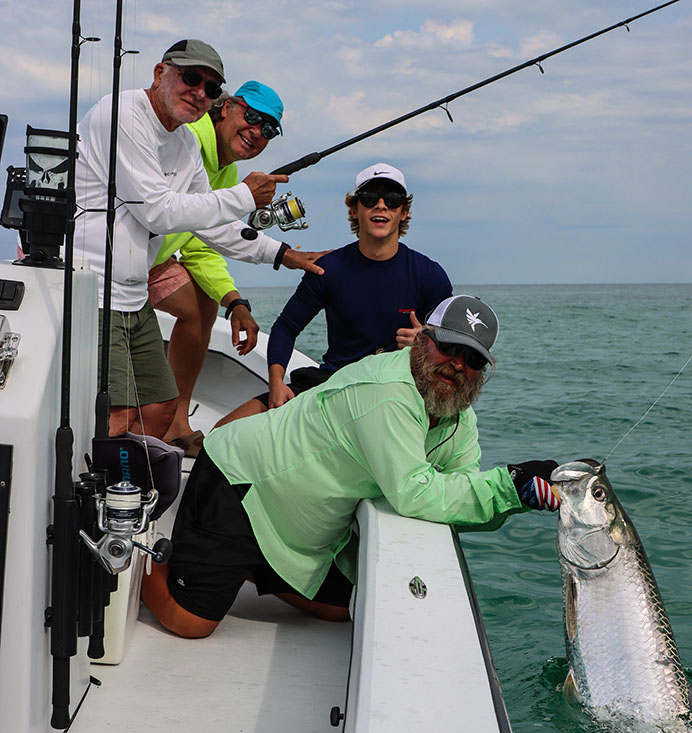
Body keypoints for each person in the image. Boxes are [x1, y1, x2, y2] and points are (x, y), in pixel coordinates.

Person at [141, 294, 560, 638]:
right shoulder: (388, 393)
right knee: (189, 623)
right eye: (448, 347)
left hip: (294, 523)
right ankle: (142, 560)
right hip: (241, 484)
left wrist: (516, 494)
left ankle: (247, 564)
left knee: (339, 608)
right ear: (421, 341)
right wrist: (509, 484)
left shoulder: (459, 416)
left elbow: (462, 492)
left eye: (473, 359)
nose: (457, 364)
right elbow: (415, 493)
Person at [73, 39, 325, 440]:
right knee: (117, 417)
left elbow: (208, 228)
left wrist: (281, 253)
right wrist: (245, 195)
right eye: (191, 78)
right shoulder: (122, 114)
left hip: (133, 291)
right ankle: (95, 495)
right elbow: (158, 210)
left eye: (210, 87)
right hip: (94, 290)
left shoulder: (184, 141)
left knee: (159, 407)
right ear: (159, 73)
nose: (199, 92)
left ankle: (134, 486)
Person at [216, 162, 452, 424]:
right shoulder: (328, 269)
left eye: (393, 200)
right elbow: (286, 327)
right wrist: (276, 383)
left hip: (398, 391)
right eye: (370, 198)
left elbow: (453, 348)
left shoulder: (429, 275)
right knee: (223, 430)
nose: (381, 205)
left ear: (404, 212)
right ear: (354, 209)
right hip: (334, 383)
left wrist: (424, 345)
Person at [147, 80, 290, 454]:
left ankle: (176, 423)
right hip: (111, 264)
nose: (257, 132)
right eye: (253, 117)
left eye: (269, 129)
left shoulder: (225, 172)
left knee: (202, 304)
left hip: (152, 261)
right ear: (226, 108)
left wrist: (234, 302)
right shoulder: (187, 138)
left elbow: (199, 244)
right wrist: (283, 254)